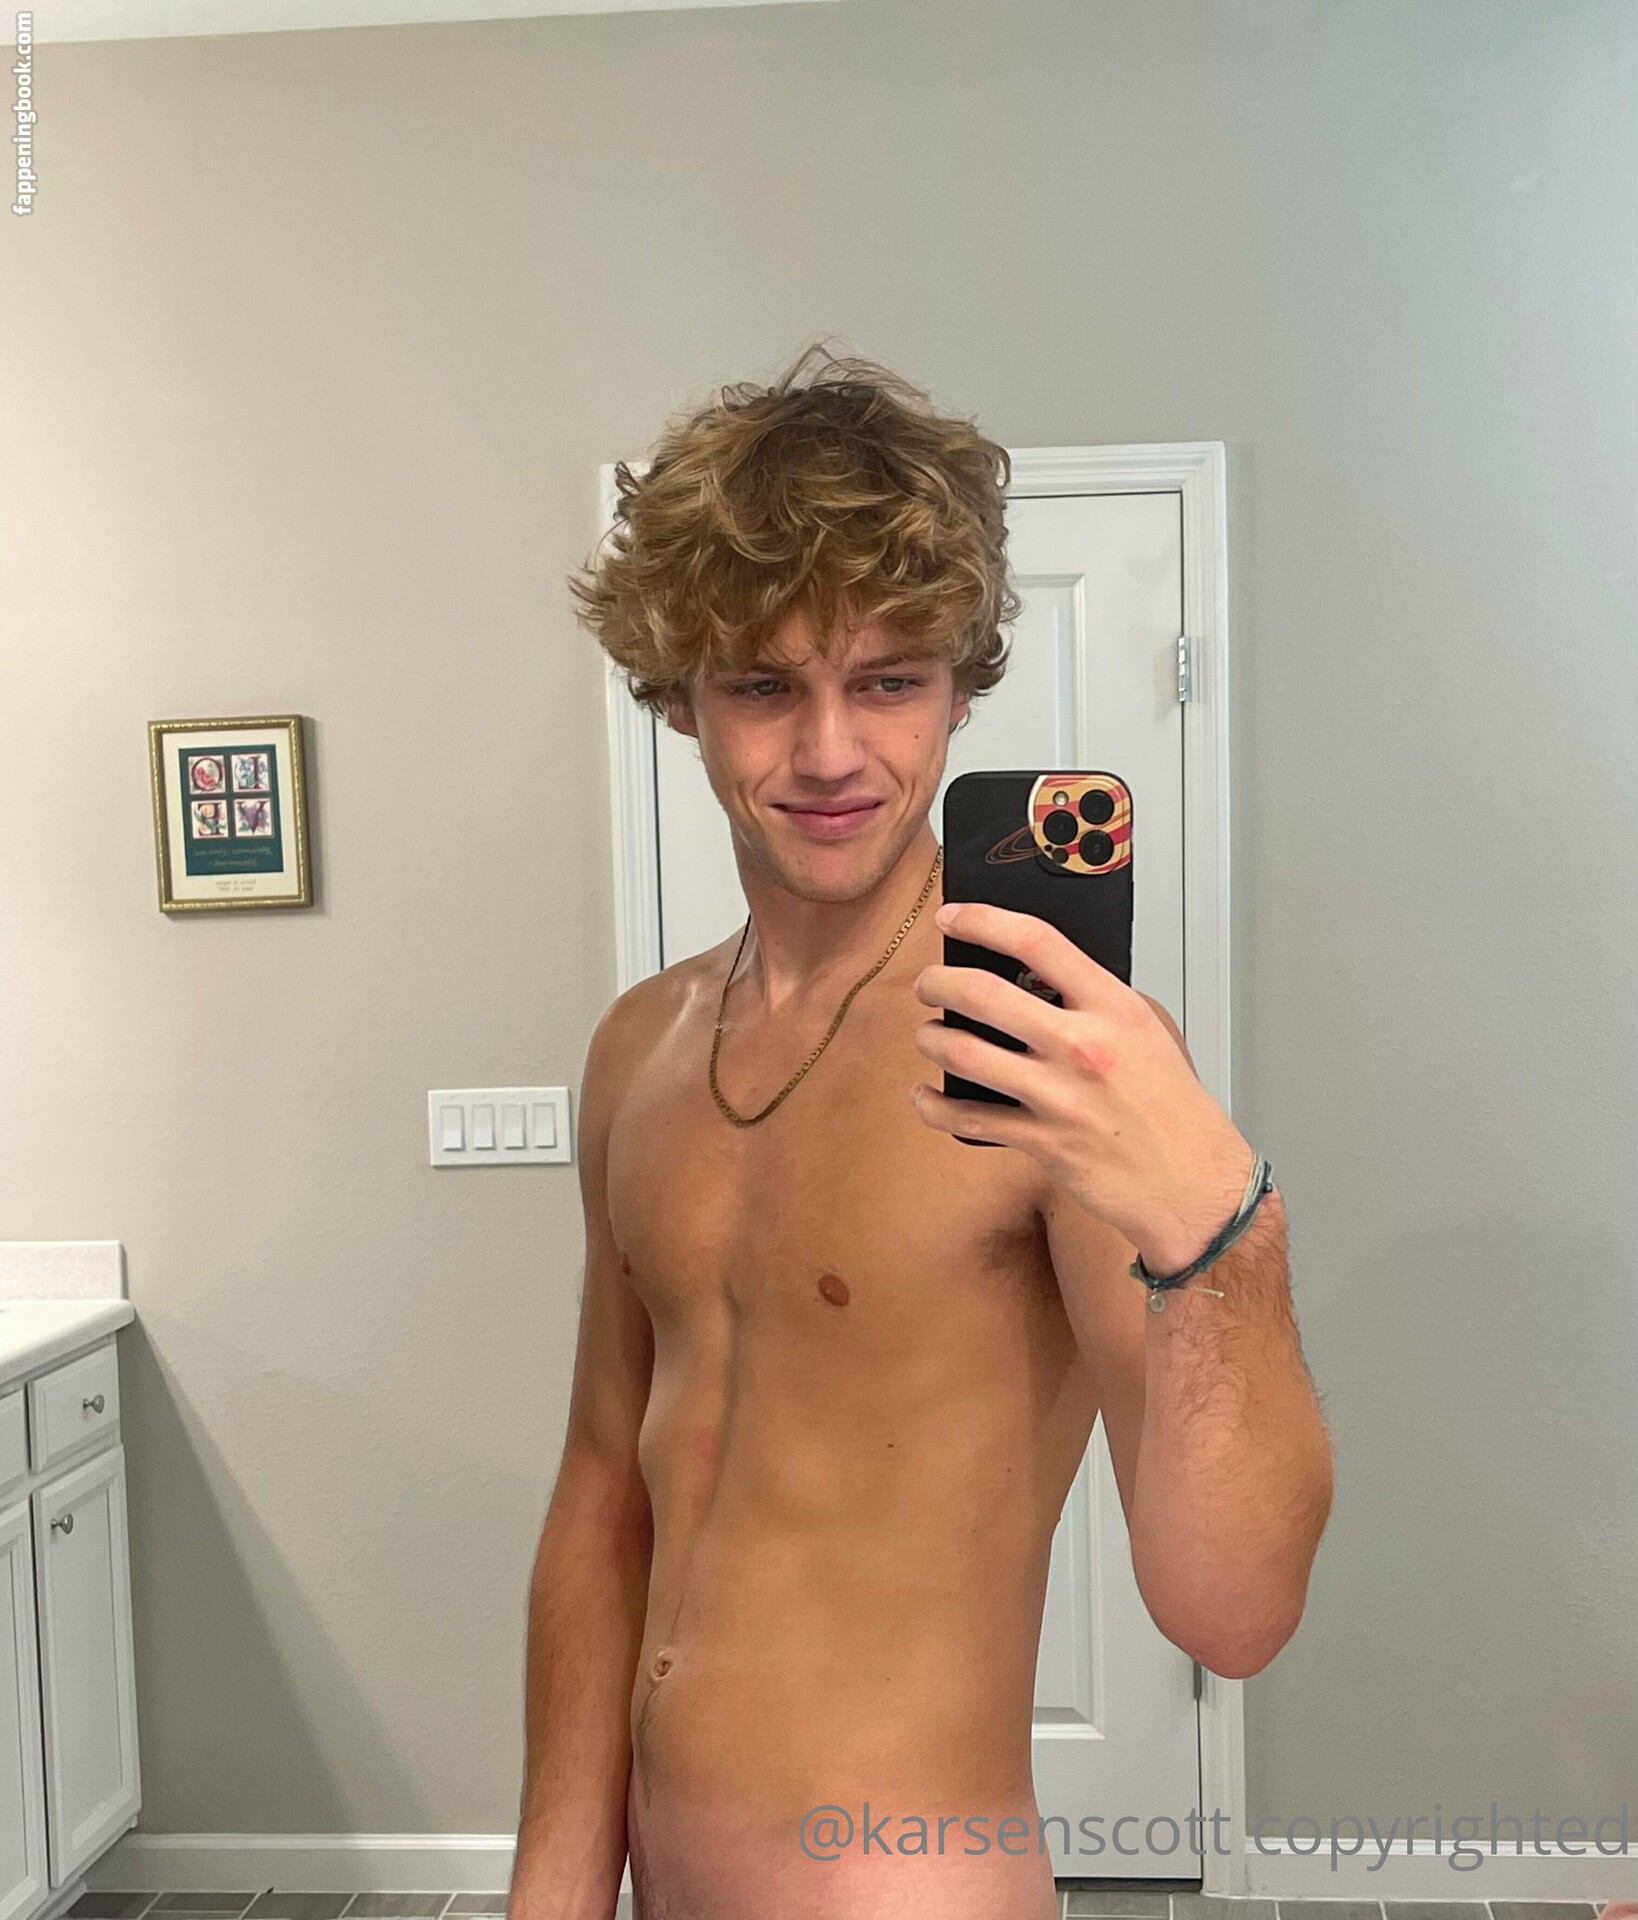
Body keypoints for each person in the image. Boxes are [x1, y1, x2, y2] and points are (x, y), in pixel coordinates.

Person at [506, 344, 1335, 1920]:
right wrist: (553, 1887)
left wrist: (1223, 1228)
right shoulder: (637, 1050)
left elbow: (1233, 1614)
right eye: (764, 684)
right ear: (678, 697)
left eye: (887, 679)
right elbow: (602, 1497)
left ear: (961, 688)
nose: (828, 753)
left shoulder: (1052, 1058)